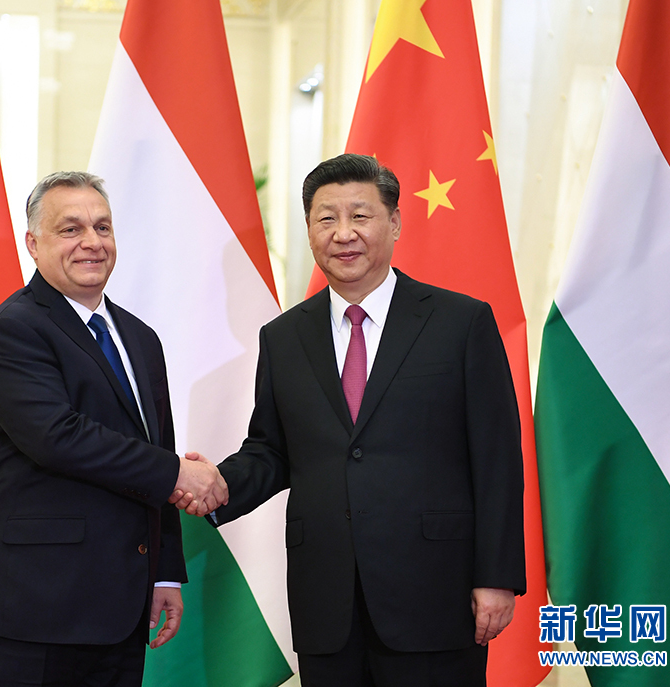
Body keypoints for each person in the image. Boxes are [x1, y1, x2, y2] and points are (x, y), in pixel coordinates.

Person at [173, 154, 525, 686]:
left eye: (360, 216)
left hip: (435, 594)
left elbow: (497, 459)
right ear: (310, 230)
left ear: (395, 222)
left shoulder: (461, 322)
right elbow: (273, 449)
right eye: (326, 218)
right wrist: (219, 484)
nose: (343, 233)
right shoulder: (285, 337)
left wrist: (496, 577)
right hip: (327, 601)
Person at [0, 171, 227, 687]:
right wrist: (180, 474)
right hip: (28, 607)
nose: (92, 242)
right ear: (34, 244)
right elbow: (58, 438)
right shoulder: (13, 329)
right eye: (70, 229)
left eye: (102, 227)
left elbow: (156, 447)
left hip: (120, 606)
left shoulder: (140, 337)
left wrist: (164, 570)